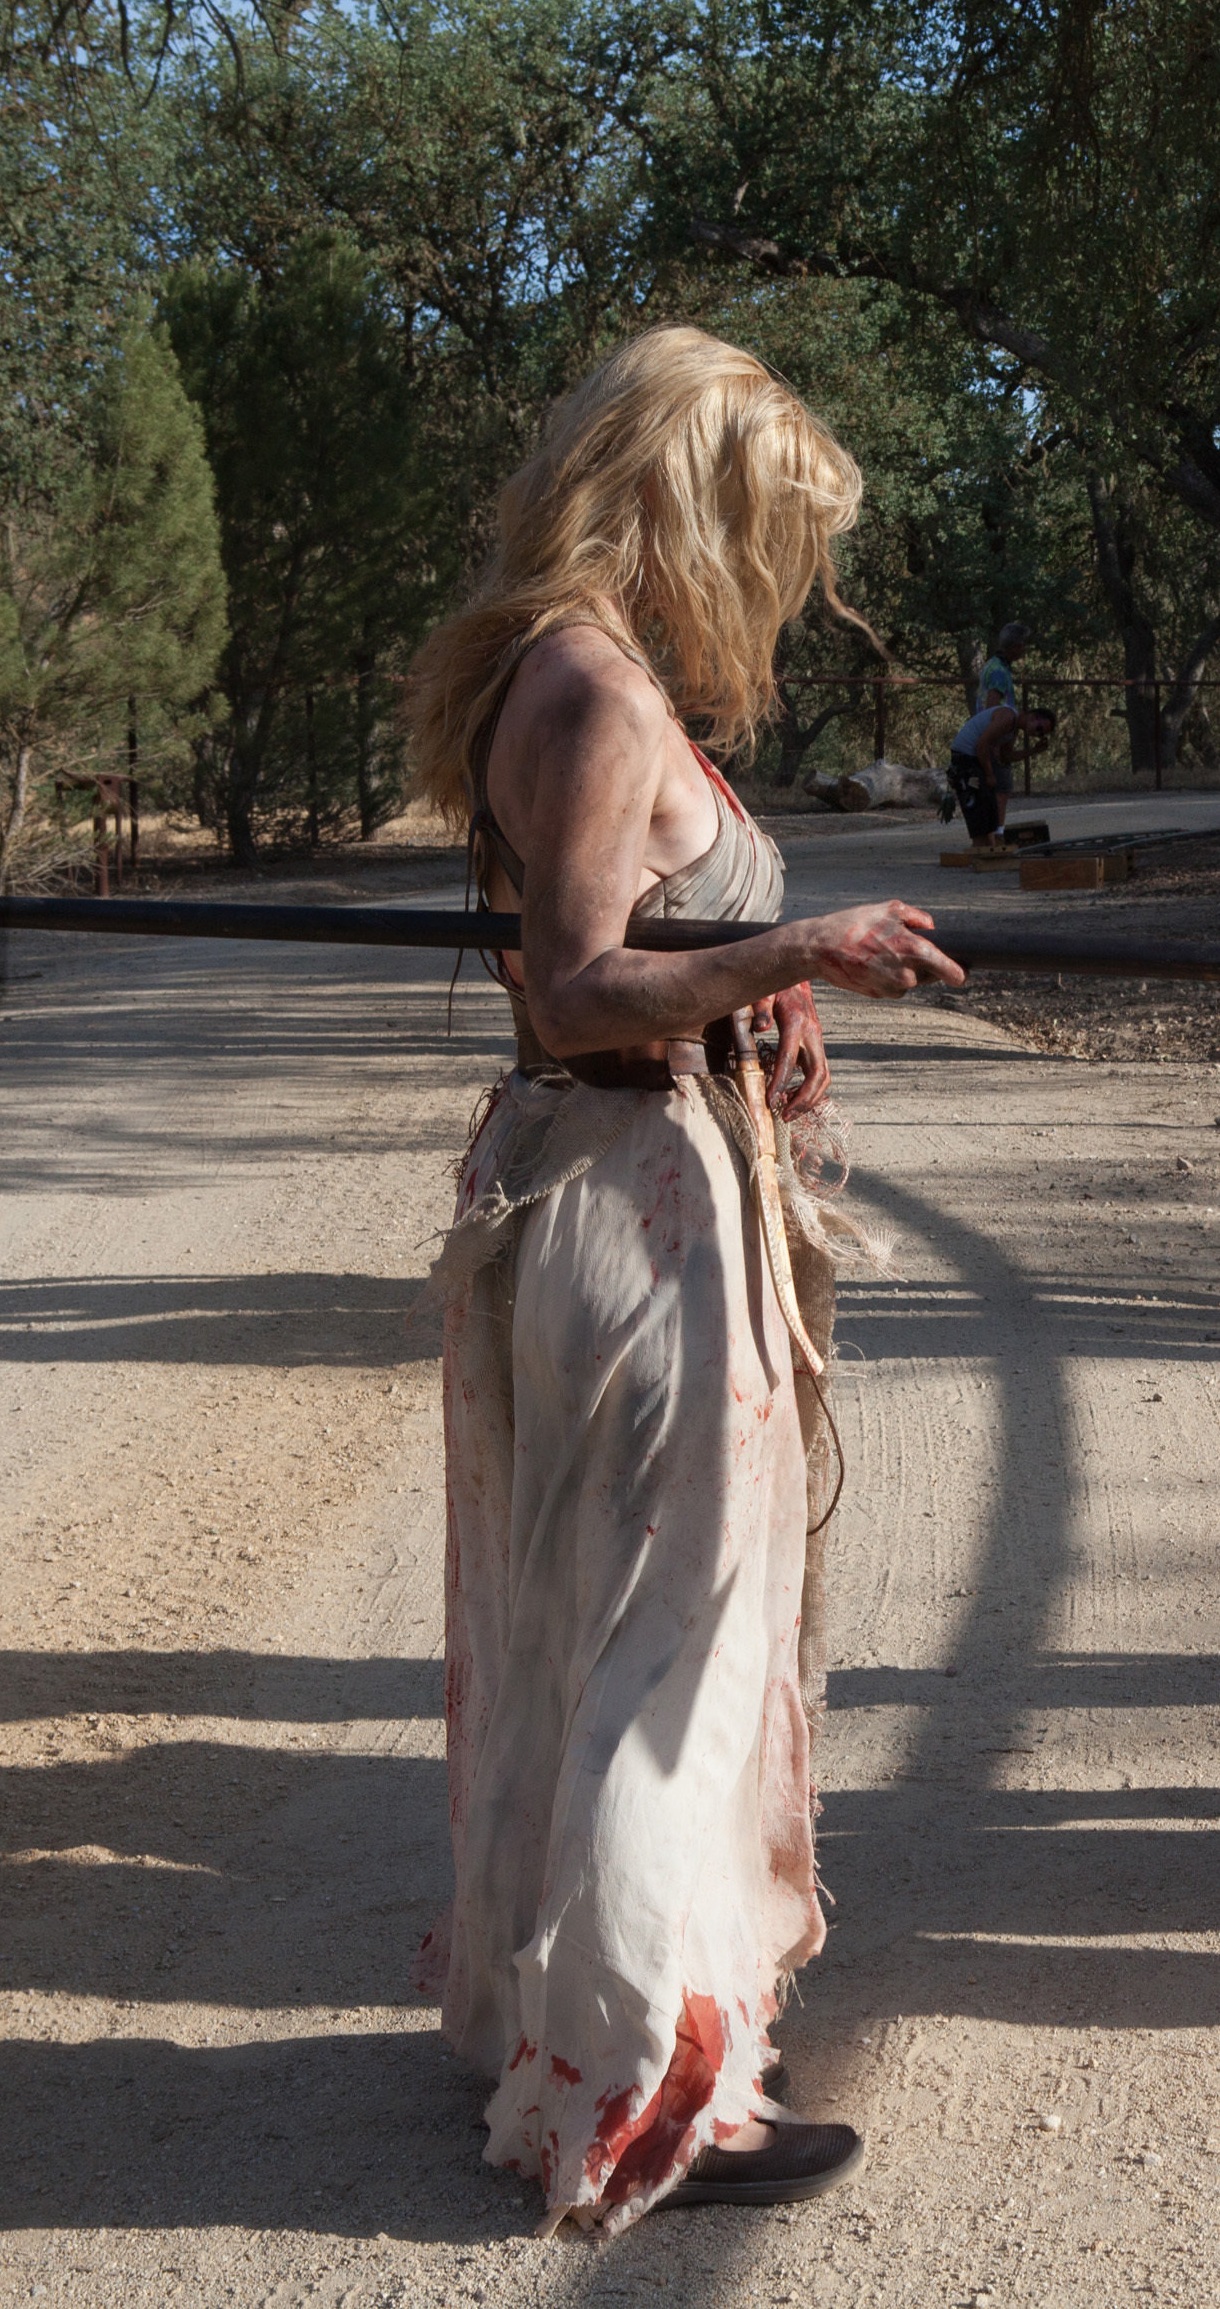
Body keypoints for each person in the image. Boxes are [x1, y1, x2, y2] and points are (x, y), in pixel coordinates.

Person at [399, 326, 963, 2231]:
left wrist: (753, 980)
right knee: (672, 1654)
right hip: (625, 1203)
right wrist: (794, 937)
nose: (786, 586)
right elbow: (572, 988)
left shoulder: (585, 680)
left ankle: (560, 2036)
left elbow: (635, 936)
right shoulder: (594, 691)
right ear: (687, 505)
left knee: (580, 1629)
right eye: (772, 534)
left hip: (622, 1179)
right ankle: (647, 2096)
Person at [949, 627, 1047, 847]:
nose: (1024, 651)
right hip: (988, 739)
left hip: (994, 735)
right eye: (1023, 646)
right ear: (1015, 647)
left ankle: (989, 839)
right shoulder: (999, 673)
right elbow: (993, 703)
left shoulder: (995, 666)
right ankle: (996, 836)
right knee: (998, 788)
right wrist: (994, 742)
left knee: (992, 790)